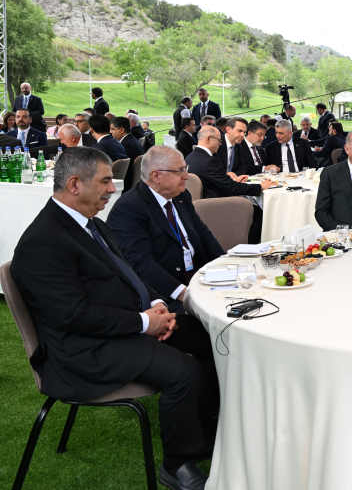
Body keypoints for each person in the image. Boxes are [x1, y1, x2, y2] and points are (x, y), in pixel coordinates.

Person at [11, 147, 219, 490]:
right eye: (105, 181)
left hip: (118, 326)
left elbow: (129, 273)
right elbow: (73, 316)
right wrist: (144, 323)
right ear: (75, 184)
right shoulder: (44, 241)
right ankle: (177, 464)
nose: (113, 188)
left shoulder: (91, 224)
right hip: (84, 349)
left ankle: (203, 430)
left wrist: (156, 305)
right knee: (184, 371)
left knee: (213, 337)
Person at [107, 146, 226, 311]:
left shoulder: (181, 196)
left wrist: (225, 266)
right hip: (166, 294)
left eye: (185, 169)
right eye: (179, 171)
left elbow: (203, 234)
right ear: (156, 176)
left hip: (199, 278)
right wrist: (184, 294)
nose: (186, 176)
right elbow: (141, 264)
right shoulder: (129, 208)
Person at [185, 126, 275, 242]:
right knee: (259, 212)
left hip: (198, 206)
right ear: (208, 139)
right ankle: (248, 246)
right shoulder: (210, 161)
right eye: (219, 140)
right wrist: (260, 186)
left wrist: (232, 181)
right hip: (215, 206)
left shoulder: (190, 157)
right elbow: (232, 188)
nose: (220, 144)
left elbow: (212, 182)